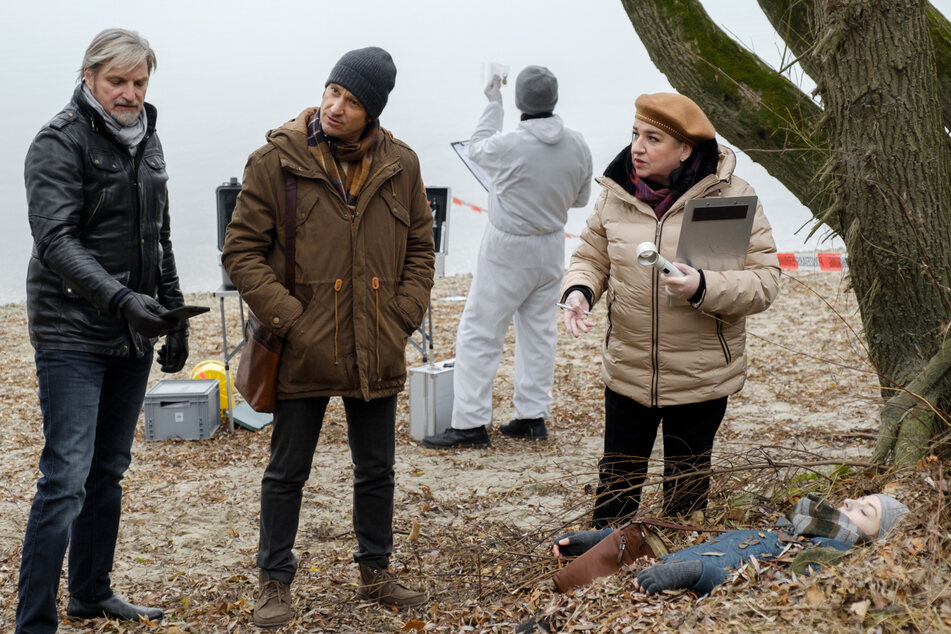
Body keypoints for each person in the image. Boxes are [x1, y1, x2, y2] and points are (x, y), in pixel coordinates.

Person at [222, 47, 434, 627]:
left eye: (353, 101)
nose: (336, 107)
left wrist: (403, 313)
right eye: (332, 92)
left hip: (376, 340)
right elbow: (241, 252)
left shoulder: (402, 163)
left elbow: (420, 247)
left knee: (377, 468)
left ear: (374, 110)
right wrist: (292, 319)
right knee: (286, 471)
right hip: (301, 344)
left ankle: (376, 571)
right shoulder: (274, 160)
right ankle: (274, 580)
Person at [17, 28, 187, 632]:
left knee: (108, 469)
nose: (131, 94)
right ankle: (34, 622)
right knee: (65, 477)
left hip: (131, 330)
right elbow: (55, 241)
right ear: (89, 76)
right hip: (70, 332)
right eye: (118, 81)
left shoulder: (149, 140)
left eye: (140, 82)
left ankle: (90, 593)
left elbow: (157, 234)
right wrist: (121, 300)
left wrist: (173, 311)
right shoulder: (57, 141)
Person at [561, 93, 780, 523]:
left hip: (701, 375)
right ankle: (606, 568)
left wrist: (702, 285)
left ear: (685, 149)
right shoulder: (615, 193)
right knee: (615, 492)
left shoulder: (732, 196)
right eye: (635, 134)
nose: (637, 147)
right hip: (628, 370)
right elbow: (590, 257)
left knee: (685, 499)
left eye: (653, 138)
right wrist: (580, 291)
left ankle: (675, 574)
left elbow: (765, 282)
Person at [422, 66, 592, 449]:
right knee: (539, 333)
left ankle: (470, 422)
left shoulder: (509, 145)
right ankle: (532, 417)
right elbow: (580, 199)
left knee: (480, 331)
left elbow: (478, 145)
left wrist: (493, 102)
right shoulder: (577, 143)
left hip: (508, 246)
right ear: (555, 99)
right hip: (551, 246)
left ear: (520, 102)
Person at [551, 492, 910, 596]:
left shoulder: (833, 553)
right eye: (860, 499)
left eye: (865, 512)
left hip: (675, 594)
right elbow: (714, 543)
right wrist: (614, 542)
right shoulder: (793, 528)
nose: (849, 504)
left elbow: (765, 587)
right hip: (655, 573)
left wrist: (696, 573)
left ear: (873, 541)